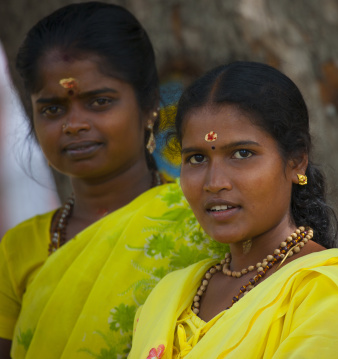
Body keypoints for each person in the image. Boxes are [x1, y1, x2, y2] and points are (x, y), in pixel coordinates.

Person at [0, 3, 224, 358]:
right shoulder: (18, 250)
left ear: (149, 104)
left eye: (99, 101)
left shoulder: (207, 219)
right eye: (52, 109)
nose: (74, 124)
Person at [128, 61, 338, 358]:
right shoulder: (170, 294)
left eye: (242, 153)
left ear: (296, 161)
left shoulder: (326, 291)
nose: (214, 183)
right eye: (196, 158)